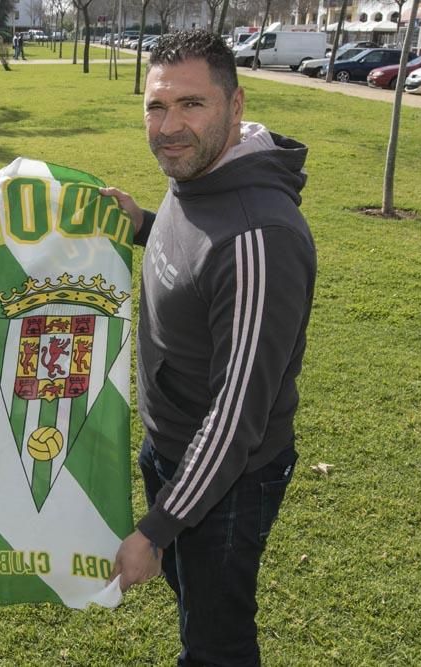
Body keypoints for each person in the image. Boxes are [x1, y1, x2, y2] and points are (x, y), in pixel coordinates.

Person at [108, 30, 317, 666]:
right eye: (156, 106)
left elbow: (235, 418)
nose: (168, 127)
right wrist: (141, 222)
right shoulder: (200, 171)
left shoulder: (258, 235)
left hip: (225, 481)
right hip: (172, 445)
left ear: (235, 103)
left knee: (216, 642)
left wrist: (157, 529)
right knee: (196, 598)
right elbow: (194, 250)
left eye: (191, 105)